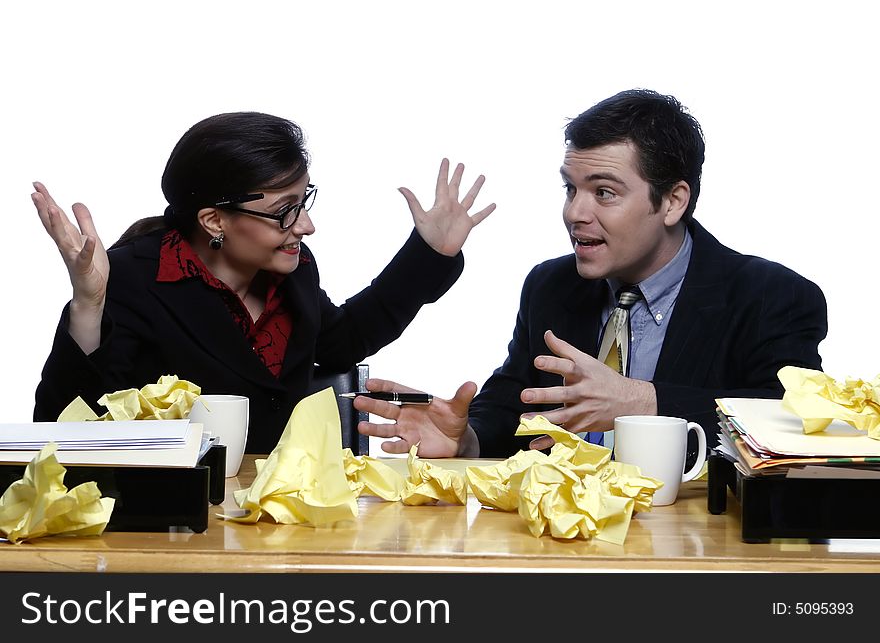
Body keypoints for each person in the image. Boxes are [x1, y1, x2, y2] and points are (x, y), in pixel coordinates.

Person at [356, 89, 828, 462]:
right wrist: (468, 439)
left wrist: (643, 402)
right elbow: (513, 399)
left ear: (673, 202)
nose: (574, 212)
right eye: (571, 188)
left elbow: (790, 422)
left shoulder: (772, 296)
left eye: (604, 192)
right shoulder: (550, 285)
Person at [32, 111, 495, 453]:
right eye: (284, 212)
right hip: (178, 520)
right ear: (214, 220)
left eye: (304, 200)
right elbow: (66, 430)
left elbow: (340, 342)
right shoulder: (133, 277)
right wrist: (89, 305)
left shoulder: (291, 269)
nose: (306, 225)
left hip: (281, 514)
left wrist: (429, 254)